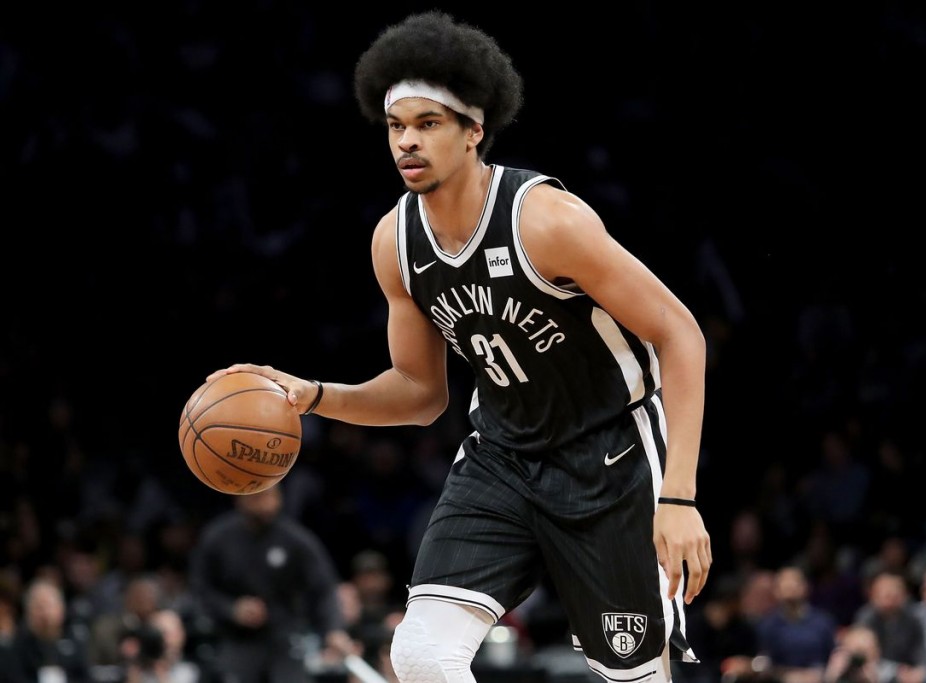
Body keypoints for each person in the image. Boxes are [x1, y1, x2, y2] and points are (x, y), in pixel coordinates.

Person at [206, 10, 712, 682]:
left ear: (474, 131)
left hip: (609, 455)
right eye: (395, 127)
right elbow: (420, 393)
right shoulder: (397, 242)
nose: (406, 143)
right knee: (419, 655)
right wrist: (314, 396)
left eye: (428, 124)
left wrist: (678, 496)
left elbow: (679, 335)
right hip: (500, 458)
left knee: (634, 674)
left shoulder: (546, 221)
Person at [187, 485, 355, 683]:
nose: (266, 504)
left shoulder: (296, 540)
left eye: (271, 495)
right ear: (240, 498)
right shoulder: (217, 537)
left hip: (285, 636)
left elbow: (324, 589)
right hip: (236, 638)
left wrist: (333, 629)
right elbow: (200, 588)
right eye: (258, 497)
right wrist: (231, 609)